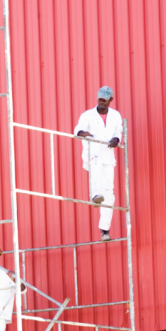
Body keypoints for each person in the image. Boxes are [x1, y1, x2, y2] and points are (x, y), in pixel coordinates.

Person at [74, 86, 123, 241]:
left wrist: (116, 140)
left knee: (110, 194)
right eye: (100, 100)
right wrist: (88, 134)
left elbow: (118, 133)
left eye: (105, 100)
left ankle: (104, 229)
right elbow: (78, 131)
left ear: (110, 100)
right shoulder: (88, 115)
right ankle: (95, 195)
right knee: (97, 177)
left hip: (108, 156)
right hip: (93, 153)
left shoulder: (115, 116)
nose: (102, 103)